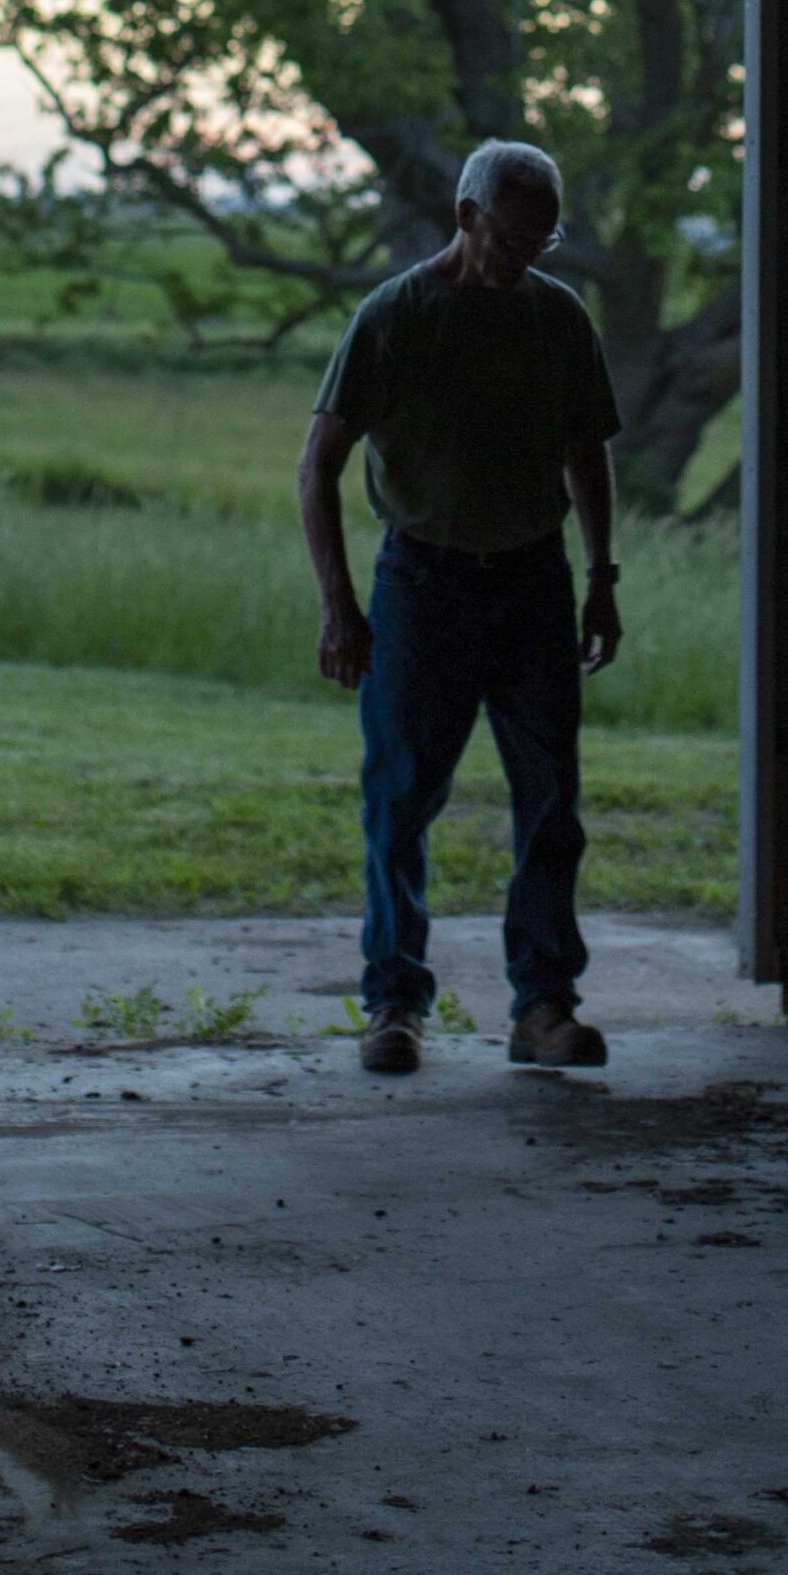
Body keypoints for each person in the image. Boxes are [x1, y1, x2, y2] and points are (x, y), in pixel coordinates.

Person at [297, 139, 624, 1075]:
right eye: (511, 237)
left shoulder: (556, 319)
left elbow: (586, 450)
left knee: (550, 800)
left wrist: (601, 577)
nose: (524, 256)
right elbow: (316, 465)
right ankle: (393, 1002)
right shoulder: (396, 318)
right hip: (421, 585)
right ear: (467, 215)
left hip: (532, 582)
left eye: (542, 241)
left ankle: (544, 1006)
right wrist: (339, 605)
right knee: (399, 798)